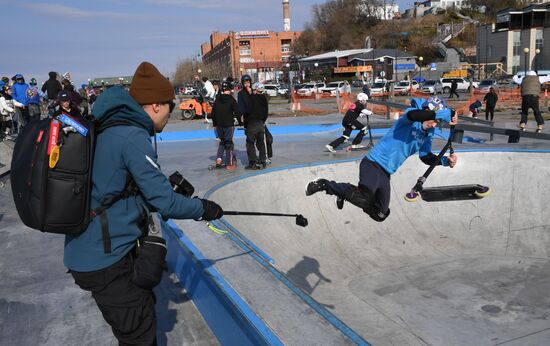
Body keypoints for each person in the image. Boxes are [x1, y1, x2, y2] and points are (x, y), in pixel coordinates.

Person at [65, 61, 224, 346]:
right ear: (154, 106)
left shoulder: (110, 126)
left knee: (141, 310)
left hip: (96, 248)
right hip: (102, 257)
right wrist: (204, 209)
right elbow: (165, 202)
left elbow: (118, 189)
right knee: (139, 334)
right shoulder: (132, 135)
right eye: (170, 107)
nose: (170, 113)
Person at [306, 96, 457, 222]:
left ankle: (345, 193)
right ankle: (324, 184)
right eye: (432, 118)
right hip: (373, 163)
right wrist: (445, 113)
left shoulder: (428, 134)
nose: (433, 123)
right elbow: (416, 115)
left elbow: (426, 157)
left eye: (436, 122)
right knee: (364, 198)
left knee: (380, 214)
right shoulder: (411, 117)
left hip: (386, 174)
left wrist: (445, 161)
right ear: (427, 112)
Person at [211, 81, 240, 169]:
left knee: (222, 142)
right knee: (229, 143)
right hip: (228, 125)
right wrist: (241, 122)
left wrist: (215, 124)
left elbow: (213, 113)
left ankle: (219, 159)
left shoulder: (217, 99)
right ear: (230, 90)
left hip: (219, 125)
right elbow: (237, 112)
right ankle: (229, 163)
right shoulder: (231, 99)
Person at [241, 82, 268, 169]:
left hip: (252, 123)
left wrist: (244, 117)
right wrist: (262, 121)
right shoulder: (264, 99)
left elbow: (248, 110)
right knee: (261, 142)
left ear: (256, 90)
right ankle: (263, 160)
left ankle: (253, 162)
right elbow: (266, 113)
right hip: (260, 123)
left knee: (250, 143)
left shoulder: (251, 98)